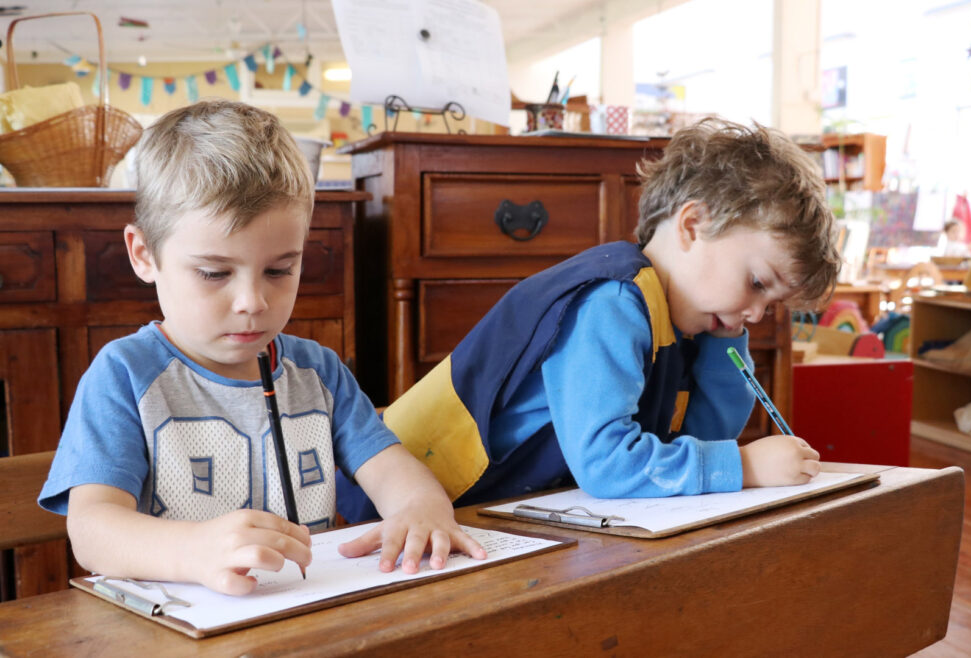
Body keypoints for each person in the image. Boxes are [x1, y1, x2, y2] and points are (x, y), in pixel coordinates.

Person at [39, 100, 484, 596]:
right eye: (214, 273)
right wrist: (194, 550)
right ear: (144, 254)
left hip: (304, 620)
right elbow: (93, 530)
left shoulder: (319, 371)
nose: (253, 302)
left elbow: (393, 471)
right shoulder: (124, 373)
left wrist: (420, 508)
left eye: (279, 270)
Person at [338, 117, 840, 522]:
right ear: (692, 225)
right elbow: (608, 465)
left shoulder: (681, 318)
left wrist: (722, 346)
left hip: (481, 513)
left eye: (771, 305)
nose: (755, 313)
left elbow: (704, 440)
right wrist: (745, 466)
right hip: (390, 513)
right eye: (756, 282)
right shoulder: (614, 301)